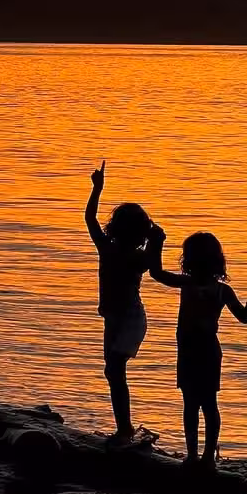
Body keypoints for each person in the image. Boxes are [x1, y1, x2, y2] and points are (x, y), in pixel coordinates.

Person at [149, 229, 247, 469]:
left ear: (187, 260)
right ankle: (204, 456)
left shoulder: (189, 283)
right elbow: (243, 317)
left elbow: (156, 273)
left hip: (194, 351)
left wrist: (156, 243)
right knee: (207, 403)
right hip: (206, 351)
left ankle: (196, 456)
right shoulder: (219, 289)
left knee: (194, 404)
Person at [84, 160, 158, 440]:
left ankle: (124, 429)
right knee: (112, 373)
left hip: (130, 319)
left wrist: (156, 239)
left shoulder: (135, 257)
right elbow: (90, 220)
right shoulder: (108, 248)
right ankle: (123, 427)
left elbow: (154, 263)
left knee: (114, 368)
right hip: (113, 318)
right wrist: (97, 189)